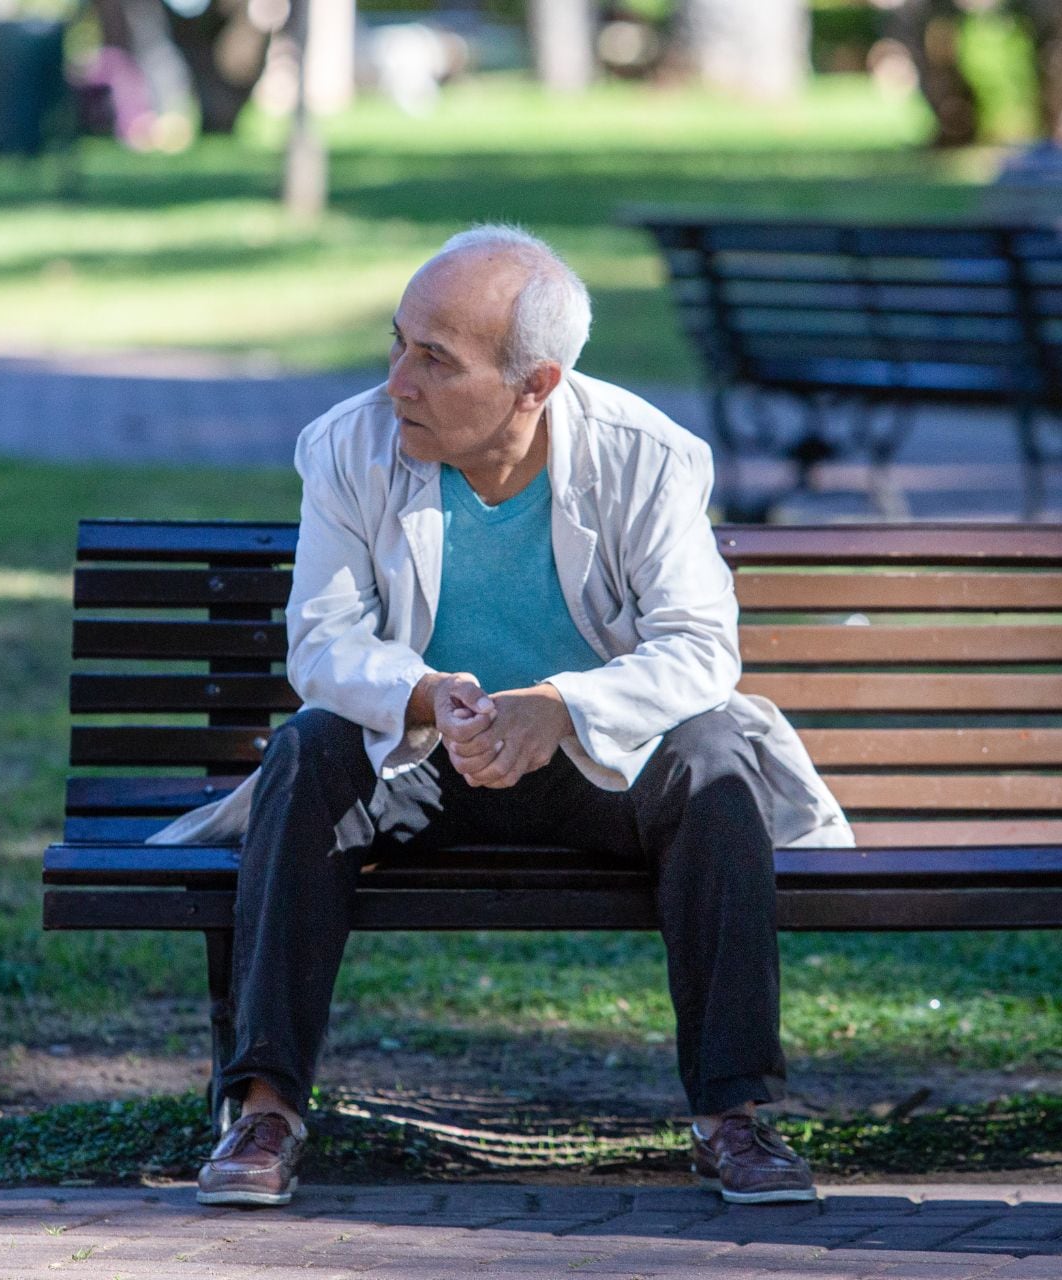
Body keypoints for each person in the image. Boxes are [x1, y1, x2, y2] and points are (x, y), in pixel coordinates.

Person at [148, 224, 853, 1208]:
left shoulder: (647, 458)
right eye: (398, 343)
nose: (399, 380)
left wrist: (561, 707)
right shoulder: (351, 445)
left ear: (536, 383)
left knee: (715, 754)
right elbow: (321, 643)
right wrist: (428, 695)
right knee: (307, 747)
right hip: (423, 764)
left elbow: (702, 649)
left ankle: (735, 1116)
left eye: (435, 359)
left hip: (595, 769)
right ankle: (263, 1107)